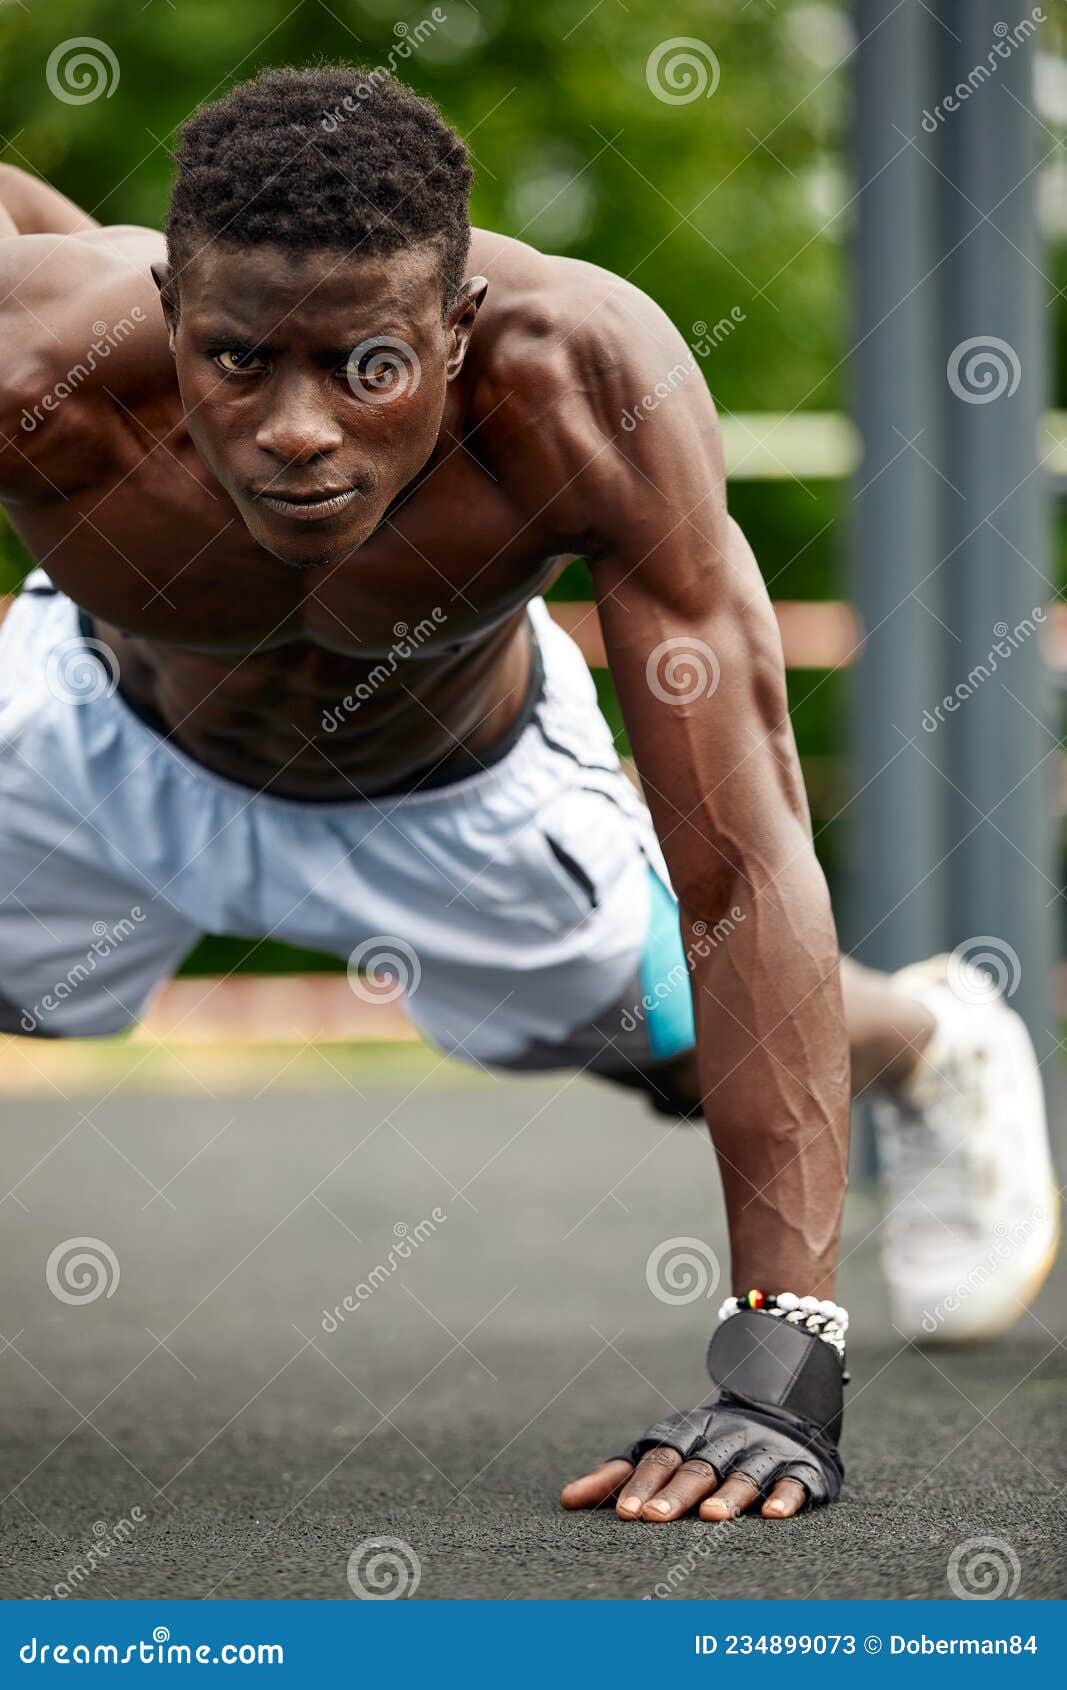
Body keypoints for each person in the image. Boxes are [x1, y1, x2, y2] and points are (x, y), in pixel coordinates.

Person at [0, 67, 1056, 1525]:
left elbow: (742, 867)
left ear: (456, 330)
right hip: (88, 747)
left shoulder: (584, 386)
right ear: (172, 307)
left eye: (367, 367)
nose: (299, 429)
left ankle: (937, 1034)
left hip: (455, 803)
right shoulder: (37, 365)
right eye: (240, 360)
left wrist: (781, 1354)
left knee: (685, 1036)